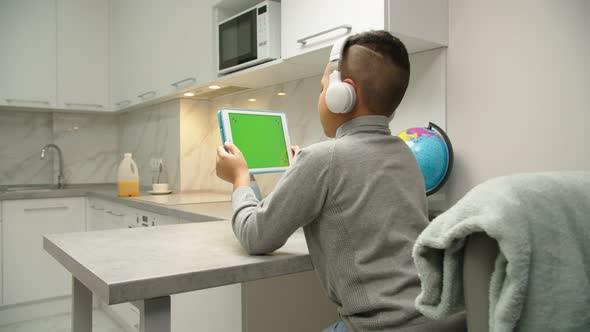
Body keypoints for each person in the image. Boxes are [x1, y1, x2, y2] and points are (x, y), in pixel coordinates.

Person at [216, 30, 465, 331]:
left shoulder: (322, 159)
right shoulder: (404, 153)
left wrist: (240, 179)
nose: (321, 98)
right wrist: (302, 172)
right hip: (443, 318)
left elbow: (256, 236)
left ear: (342, 95)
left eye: (322, 90)